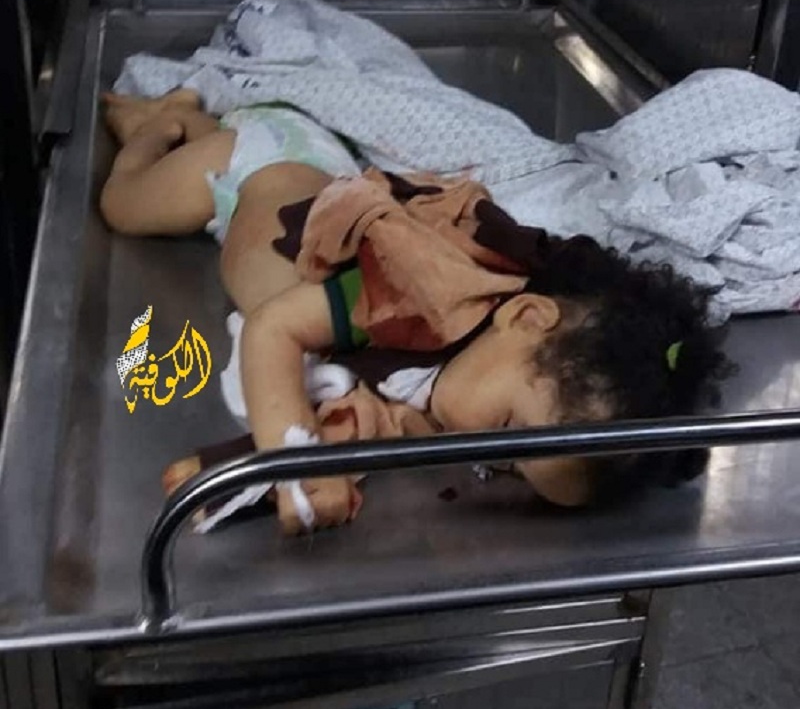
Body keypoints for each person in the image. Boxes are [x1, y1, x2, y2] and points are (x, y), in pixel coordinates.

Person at [100, 89, 729, 535]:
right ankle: (153, 123)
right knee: (123, 204)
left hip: (303, 176)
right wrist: (290, 466)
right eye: (506, 427)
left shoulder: (477, 367)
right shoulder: (417, 294)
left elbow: (380, 406)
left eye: (510, 465)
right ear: (526, 317)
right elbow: (274, 330)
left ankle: (190, 119)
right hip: (258, 164)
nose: (483, 450)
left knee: (192, 149)